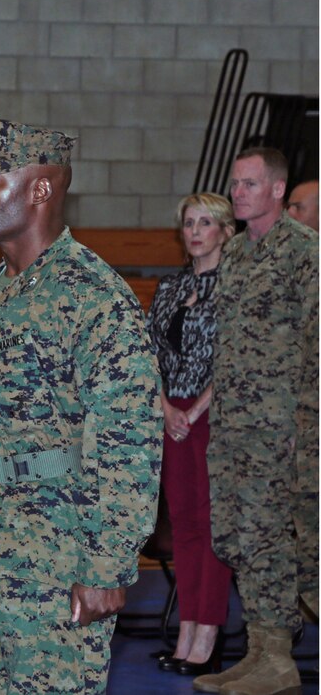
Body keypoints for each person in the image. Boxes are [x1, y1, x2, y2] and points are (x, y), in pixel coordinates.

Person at [0, 116, 162, 693]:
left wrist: (106, 564)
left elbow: (128, 442)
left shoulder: (95, 297)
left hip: (57, 555)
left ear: (41, 189)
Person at [194, 148, 319, 695]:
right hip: (236, 428)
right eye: (235, 184)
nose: (238, 193)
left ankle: (276, 656)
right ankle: (268, 653)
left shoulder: (306, 254)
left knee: (286, 539)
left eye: (249, 184)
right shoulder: (238, 255)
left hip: (282, 430)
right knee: (246, 538)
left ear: (276, 189)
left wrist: (308, 428)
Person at [145, 193, 235, 677]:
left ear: (225, 230)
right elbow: (148, 354)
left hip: (213, 417)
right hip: (171, 417)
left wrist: (196, 408)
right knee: (183, 526)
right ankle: (185, 634)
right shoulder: (169, 287)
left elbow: (238, 357)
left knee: (213, 527)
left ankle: (208, 637)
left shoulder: (236, 287)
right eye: (188, 223)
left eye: (206, 222)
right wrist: (164, 409)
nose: (195, 231)